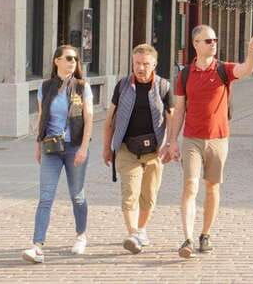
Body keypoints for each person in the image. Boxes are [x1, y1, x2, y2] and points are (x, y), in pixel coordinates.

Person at [159, 25, 253, 259]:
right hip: (192, 139)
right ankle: (187, 238)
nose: (213, 43)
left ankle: (205, 234)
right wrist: (172, 141)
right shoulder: (185, 74)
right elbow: (179, 111)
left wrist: (252, 50)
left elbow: (247, 69)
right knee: (190, 186)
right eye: (208, 40)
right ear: (196, 44)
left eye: (215, 39)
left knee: (212, 187)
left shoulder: (223, 69)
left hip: (218, 139)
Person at [23, 45, 93, 264]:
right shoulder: (45, 87)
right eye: (68, 58)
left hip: (74, 147)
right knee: (45, 197)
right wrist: (38, 144)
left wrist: (83, 147)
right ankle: (37, 246)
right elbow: (42, 117)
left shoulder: (83, 87)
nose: (73, 62)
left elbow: (89, 118)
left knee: (77, 196)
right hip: (51, 147)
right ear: (57, 61)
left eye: (75, 59)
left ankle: (81, 235)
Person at [102, 44, 173, 255]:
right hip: (126, 148)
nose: (140, 68)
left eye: (145, 64)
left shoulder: (164, 86)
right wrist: (107, 147)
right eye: (137, 64)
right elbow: (109, 120)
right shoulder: (123, 85)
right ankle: (133, 234)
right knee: (129, 193)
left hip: (154, 150)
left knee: (149, 196)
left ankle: (142, 230)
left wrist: (169, 144)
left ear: (154, 64)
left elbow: (171, 119)